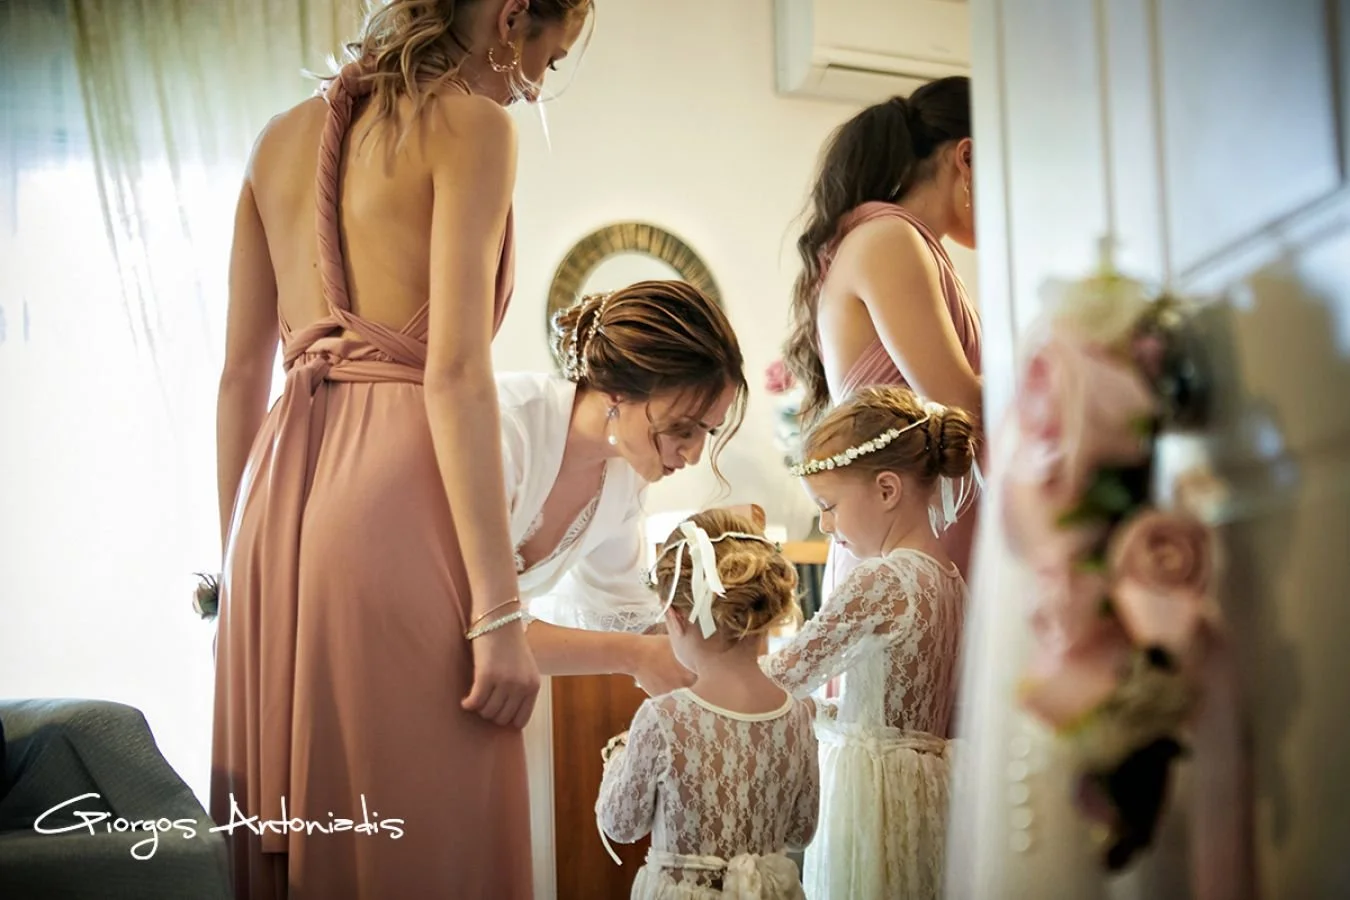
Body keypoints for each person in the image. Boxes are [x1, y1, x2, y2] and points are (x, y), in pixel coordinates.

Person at [212, 1, 591, 896]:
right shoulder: (473, 127)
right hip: (392, 496)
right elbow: (456, 374)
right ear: (508, 18)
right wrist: (500, 617)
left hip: (270, 503)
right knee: (427, 827)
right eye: (551, 53)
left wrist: (241, 575)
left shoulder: (275, 140)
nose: (536, 80)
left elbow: (237, 379)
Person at [505, 279, 750, 894]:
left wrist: (722, 683)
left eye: (706, 435)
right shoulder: (507, 426)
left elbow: (627, 611)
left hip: (499, 690)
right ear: (620, 390)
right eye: (684, 428)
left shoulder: (621, 483)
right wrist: (635, 657)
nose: (692, 454)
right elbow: (468, 623)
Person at [761, 386, 975, 899]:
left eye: (829, 505)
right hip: (930, 792)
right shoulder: (950, 580)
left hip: (875, 799)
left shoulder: (882, 581)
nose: (825, 525)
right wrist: (829, 714)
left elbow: (787, 675)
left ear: (886, 490)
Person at [783, 75, 983, 580]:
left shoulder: (903, 242)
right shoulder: (891, 239)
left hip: (920, 529)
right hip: (907, 542)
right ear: (967, 158)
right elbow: (960, 402)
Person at [597, 509, 819, 899]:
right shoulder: (798, 714)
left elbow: (621, 824)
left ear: (677, 618)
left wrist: (619, 753)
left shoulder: (663, 717)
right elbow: (801, 831)